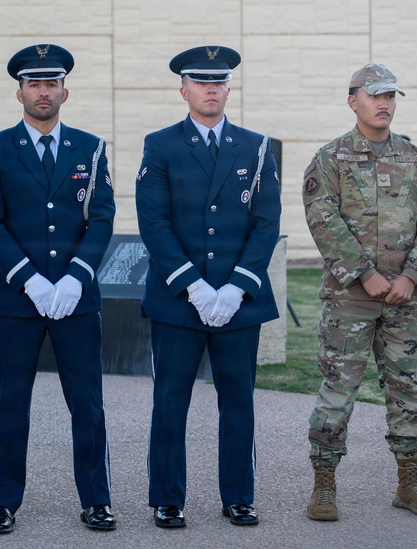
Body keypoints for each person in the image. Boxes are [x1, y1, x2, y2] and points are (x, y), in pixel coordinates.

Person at [0, 44, 117, 534]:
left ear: (64, 92)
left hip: (77, 299)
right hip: (18, 298)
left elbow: (101, 219)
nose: (43, 92)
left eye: (51, 84)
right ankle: (1, 502)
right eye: (34, 84)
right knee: (9, 403)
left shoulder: (91, 149)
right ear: (20, 93)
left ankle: (96, 499)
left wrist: (76, 277)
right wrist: (29, 278)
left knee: (88, 403)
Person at [135, 45, 281, 529]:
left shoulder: (257, 147)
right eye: (201, 82)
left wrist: (238, 286)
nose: (211, 89)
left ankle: (239, 495)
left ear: (229, 88)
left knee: (238, 401)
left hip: (239, 301)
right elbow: (153, 223)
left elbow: (265, 223)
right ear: (184, 89)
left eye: (219, 81)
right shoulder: (160, 145)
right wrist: (194, 286)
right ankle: (167, 498)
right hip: (180, 299)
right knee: (170, 400)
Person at [302, 63, 417, 522]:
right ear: (353, 101)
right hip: (350, 299)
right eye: (375, 95)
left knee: (407, 390)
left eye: (390, 96)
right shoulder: (331, 159)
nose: (384, 103)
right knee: (338, 391)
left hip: (404, 299)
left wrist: (411, 276)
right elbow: (323, 220)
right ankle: (324, 484)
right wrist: (365, 274)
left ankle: (409, 483)